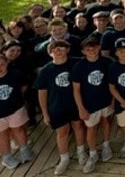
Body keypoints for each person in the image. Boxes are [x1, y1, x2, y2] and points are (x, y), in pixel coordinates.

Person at [34, 40, 86, 175]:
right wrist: (45, 113)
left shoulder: (77, 63)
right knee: (62, 132)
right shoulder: (46, 71)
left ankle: (81, 151)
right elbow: (42, 93)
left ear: (68, 50)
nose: (58, 50)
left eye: (62, 47)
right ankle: (64, 158)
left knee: (79, 126)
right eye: (54, 48)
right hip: (56, 106)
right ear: (50, 53)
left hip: (75, 104)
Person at [71, 37, 114, 173]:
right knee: (91, 128)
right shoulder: (79, 67)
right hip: (89, 104)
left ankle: (106, 146)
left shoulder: (107, 62)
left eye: (94, 48)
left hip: (106, 100)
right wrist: (81, 108)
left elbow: (112, 84)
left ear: (99, 48)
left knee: (106, 122)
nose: (92, 51)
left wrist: (113, 100)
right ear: (83, 51)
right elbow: (76, 90)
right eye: (88, 49)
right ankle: (93, 153)